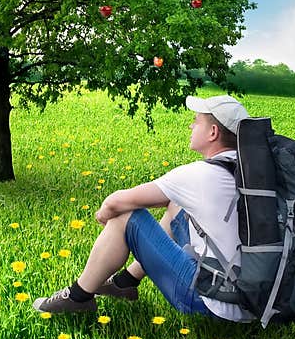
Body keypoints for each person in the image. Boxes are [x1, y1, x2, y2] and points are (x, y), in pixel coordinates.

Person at [32, 94, 256, 323]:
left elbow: (115, 203)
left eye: (197, 120)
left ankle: (78, 297)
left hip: (209, 300)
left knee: (126, 216)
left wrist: (105, 216)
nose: (191, 125)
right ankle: (126, 282)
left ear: (213, 132)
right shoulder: (251, 174)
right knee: (176, 202)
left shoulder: (201, 174)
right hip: (251, 300)